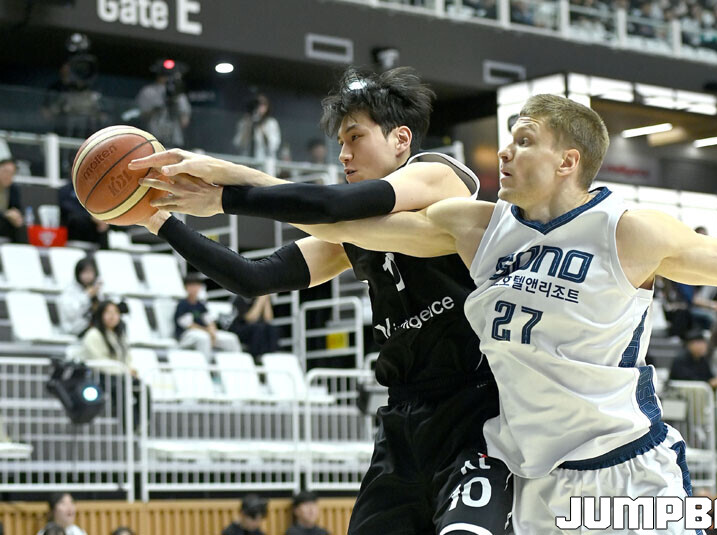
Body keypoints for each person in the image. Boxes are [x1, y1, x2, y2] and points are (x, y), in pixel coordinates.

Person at [149, 93, 717, 533]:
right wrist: (225, 192)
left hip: (627, 466)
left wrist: (231, 189)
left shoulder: (628, 230)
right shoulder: (478, 226)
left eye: (523, 141)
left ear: (568, 161)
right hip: (536, 478)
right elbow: (351, 226)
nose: (503, 152)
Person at [131, 66, 513, 535]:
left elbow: (331, 206)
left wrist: (230, 186)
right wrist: (159, 222)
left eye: (355, 137)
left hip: (474, 410)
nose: (344, 153)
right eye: (340, 143)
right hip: (403, 419)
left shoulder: (440, 175)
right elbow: (254, 277)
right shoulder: (352, 234)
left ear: (400, 139)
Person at [174, 273, 241, 359]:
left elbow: (209, 321)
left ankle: (235, 364)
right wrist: (207, 332)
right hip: (187, 335)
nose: (194, 288)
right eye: (192, 285)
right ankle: (206, 364)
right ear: (186, 287)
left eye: (197, 285)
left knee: (231, 339)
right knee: (204, 338)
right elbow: (188, 325)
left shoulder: (201, 305)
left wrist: (212, 331)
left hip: (204, 332)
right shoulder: (182, 305)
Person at [136, 62, 191, 148]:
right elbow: (141, 116)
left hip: (174, 141)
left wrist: (174, 103)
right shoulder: (149, 92)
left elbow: (184, 122)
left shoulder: (180, 96)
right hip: (153, 139)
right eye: (165, 75)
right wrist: (157, 108)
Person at [224, 295, 280, 362]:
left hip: (255, 329)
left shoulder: (261, 298)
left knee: (272, 328)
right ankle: (255, 358)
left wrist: (266, 300)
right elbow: (250, 319)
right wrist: (261, 300)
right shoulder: (240, 297)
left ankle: (272, 356)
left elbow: (268, 319)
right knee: (258, 328)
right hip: (238, 329)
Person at [58, 256, 102, 336]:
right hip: (75, 329)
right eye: (85, 272)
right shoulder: (69, 290)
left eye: (90, 272)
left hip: (94, 329)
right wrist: (87, 296)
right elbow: (70, 313)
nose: (88, 276)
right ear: (78, 273)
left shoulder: (99, 289)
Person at [58, 181, 110, 248]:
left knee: (104, 223)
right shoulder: (65, 190)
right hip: (73, 228)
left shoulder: (93, 190)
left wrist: (102, 218)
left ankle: (104, 251)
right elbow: (68, 208)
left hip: (95, 230)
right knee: (77, 219)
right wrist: (91, 217)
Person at [233, 94, 281, 161]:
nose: (259, 107)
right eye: (257, 104)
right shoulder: (245, 122)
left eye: (263, 104)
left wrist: (261, 126)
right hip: (247, 160)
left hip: (264, 161)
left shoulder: (271, 123)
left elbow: (273, 146)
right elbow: (238, 144)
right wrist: (248, 125)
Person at [0, 159, 26, 243]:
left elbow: (17, 207)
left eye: (12, 173)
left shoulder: (13, 189)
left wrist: (17, 216)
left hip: (6, 228)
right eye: (5, 171)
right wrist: (5, 214)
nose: (8, 176)